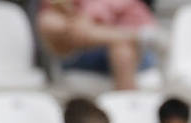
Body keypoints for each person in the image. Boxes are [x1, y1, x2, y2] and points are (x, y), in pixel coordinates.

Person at [35, 0, 163, 92]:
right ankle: (128, 36)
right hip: (79, 49)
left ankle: (125, 111)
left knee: (122, 50)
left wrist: (88, 18)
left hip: (129, 54)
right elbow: (54, 7)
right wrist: (79, 21)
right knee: (48, 21)